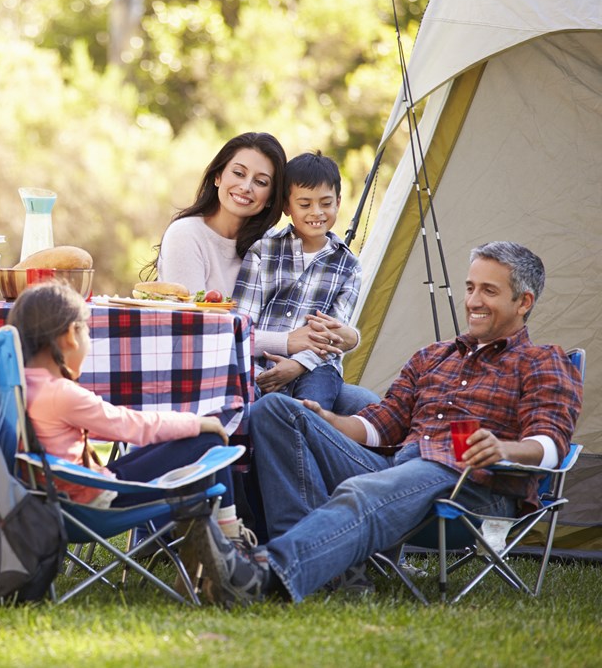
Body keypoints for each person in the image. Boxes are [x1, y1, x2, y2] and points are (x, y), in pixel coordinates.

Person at [241, 241, 583, 602]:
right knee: (275, 410)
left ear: (523, 302)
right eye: (470, 288)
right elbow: (383, 423)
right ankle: (328, 571)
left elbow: (551, 443)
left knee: (367, 489)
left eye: (489, 291)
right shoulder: (432, 356)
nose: (474, 301)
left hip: (471, 484)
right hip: (398, 467)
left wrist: (503, 448)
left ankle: (263, 573)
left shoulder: (543, 361)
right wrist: (327, 420)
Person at [6, 281, 268, 606]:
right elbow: (129, 426)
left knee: (193, 440)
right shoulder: (60, 394)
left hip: (60, 496)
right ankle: (231, 551)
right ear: (70, 335)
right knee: (209, 438)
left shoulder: (17, 385)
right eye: (88, 333)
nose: (88, 342)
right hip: (90, 505)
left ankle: (213, 551)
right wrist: (196, 421)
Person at [233, 151, 361, 410]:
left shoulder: (349, 267)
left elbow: (334, 335)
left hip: (316, 367)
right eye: (305, 205)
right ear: (287, 206)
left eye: (326, 203)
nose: (317, 212)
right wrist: (261, 371)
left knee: (309, 414)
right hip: (258, 365)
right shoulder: (264, 251)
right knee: (253, 408)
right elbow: (240, 326)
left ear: (338, 201)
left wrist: (298, 364)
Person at [143, 132, 287, 297]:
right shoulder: (186, 234)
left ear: (271, 197)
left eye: (261, 182)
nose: (246, 187)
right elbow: (194, 317)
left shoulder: (275, 246)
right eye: (239, 173)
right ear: (218, 177)